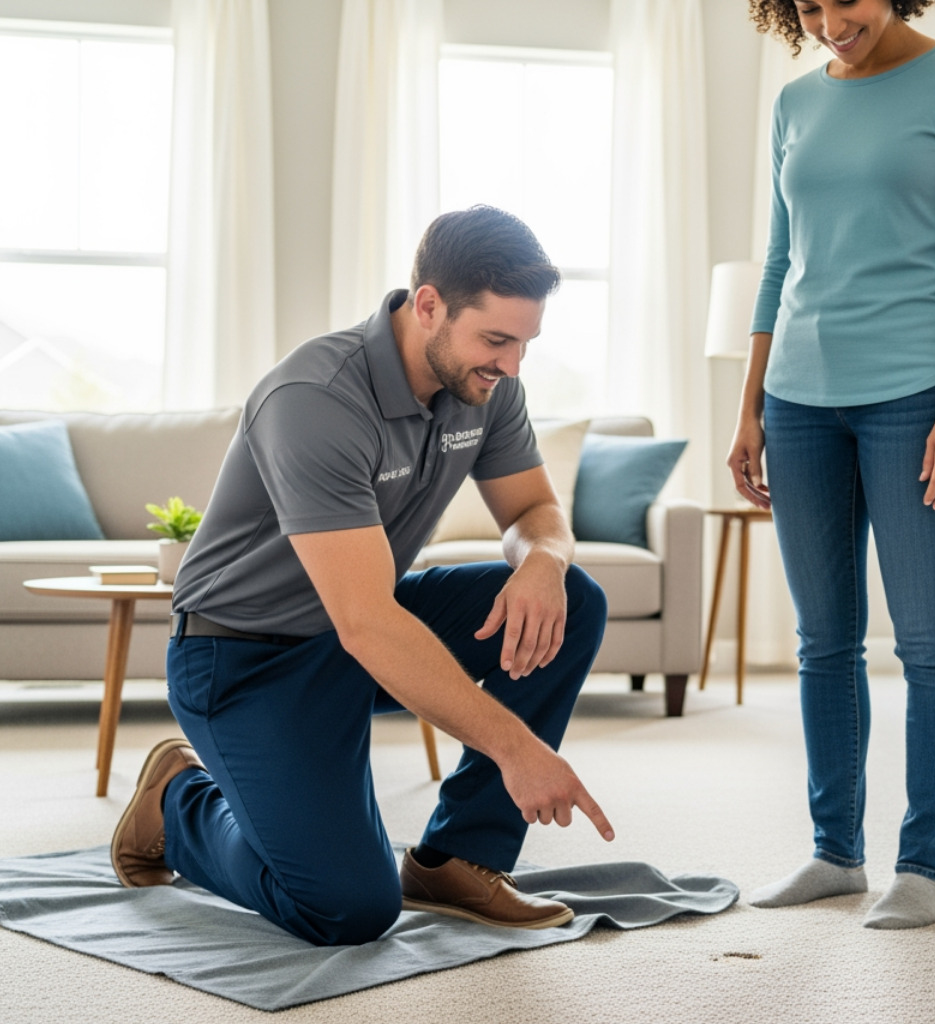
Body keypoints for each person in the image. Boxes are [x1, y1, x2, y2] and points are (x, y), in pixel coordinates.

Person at [109, 206, 615, 946]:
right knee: (348, 909)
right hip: (243, 657)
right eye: (497, 340)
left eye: (524, 344)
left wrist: (542, 558)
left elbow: (535, 506)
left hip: (351, 629)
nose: (511, 366)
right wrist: (516, 748)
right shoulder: (316, 399)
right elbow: (367, 623)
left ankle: (458, 857)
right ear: (429, 305)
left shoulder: (489, 386)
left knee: (572, 598)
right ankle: (178, 801)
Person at [731, 0, 935, 929]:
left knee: (930, 639)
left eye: (842, 1)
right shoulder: (794, 102)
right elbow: (779, 261)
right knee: (823, 640)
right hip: (799, 397)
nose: (827, 21)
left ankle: (923, 867)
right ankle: (834, 853)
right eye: (805, 6)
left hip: (916, 395)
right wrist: (750, 406)